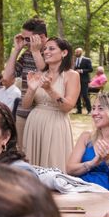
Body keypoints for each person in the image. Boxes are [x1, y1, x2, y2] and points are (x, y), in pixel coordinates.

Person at [22, 37, 80, 170]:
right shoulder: (39, 74)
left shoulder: (72, 75)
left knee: (54, 165)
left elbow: (67, 107)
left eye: (51, 48)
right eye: (45, 49)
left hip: (56, 124)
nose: (46, 52)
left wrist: (49, 89)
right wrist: (31, 89)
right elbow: (25, 105)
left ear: (64, 53)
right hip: (35, 122)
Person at [67, 92, 109, 196]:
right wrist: (92, 163)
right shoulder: (86, 138)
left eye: (100, 109)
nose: (94, 113)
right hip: (84, 193)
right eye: (93, 108)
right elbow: (70, 170)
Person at [2, 17, 47, 147]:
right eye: (23, 38)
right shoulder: (27, 54)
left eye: (28, 39)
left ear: (42, 37)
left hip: (42, 114)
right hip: (23, 113)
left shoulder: (55, 51)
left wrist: (36, 51)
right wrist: (16, 50)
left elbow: (45, 76)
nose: (25, 42)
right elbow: (6, 78)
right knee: (21, 154)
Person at [74, 47, 93, 114]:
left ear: (81, 52)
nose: (76, 53)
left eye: (77, 52)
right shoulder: (74, 60)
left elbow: (91, 69)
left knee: (85, 95)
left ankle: (89, 110)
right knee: (77, 95)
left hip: (84, 80)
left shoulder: (87, 60)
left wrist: (81, 70)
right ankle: (79, 110)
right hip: (76, 80)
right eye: (75, 52)